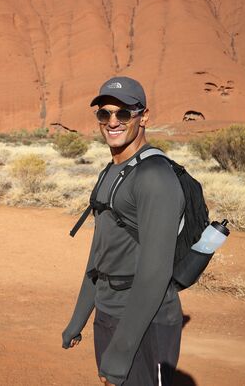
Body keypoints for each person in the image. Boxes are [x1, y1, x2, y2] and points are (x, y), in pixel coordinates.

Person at [62, 76, 185, 386]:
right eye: (104, 113)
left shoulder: (155, 177)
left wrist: (122, 349)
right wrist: (80, 317)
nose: (112, 121)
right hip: (109, 313)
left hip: (147, 325)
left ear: (144, 116)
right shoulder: (112, 171)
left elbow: (155, 274)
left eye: (124, 113)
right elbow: (101, 253)